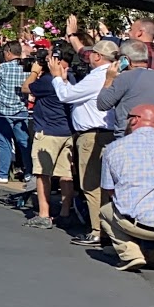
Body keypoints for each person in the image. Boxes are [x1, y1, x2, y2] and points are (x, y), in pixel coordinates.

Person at [98, 104, 154, 279]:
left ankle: (130, 253)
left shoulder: (113, 148)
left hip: (137, 224)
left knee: (106, 211)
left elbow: (109, 189)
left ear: (135, 119)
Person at [50, 41, 117, 248]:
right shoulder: (109, 74)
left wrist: (55, 78)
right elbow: (78, 95)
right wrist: (65, 81)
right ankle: (104, 229)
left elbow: (66, 96)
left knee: (91, 184)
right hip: (105, 133)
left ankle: (98, 230)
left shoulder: (99, 75)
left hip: (92, 134)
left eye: (92, 54)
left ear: (98, 56)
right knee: (103, 184)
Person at [24, 52, 76, 230]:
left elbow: (26, 88)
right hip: (66, 131)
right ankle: (65, 212)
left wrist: (34, 72)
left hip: (48, 131)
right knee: (65, 174)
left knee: (42, 173)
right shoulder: (72, 79)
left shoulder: (48, 81)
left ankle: (44, 214)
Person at [96, 40, 154, 140]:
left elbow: (102, 104)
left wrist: (109, 79)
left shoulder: (125, 78)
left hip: (128, 137)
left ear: (125, 59)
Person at [0, 43, 31, 184]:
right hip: (21, 109)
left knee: (4, 142)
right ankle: (29, 172)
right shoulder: (26, 67)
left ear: (9, 52)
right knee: (24, 142)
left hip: (3, 110)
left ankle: (3, 173)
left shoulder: (3, 67)